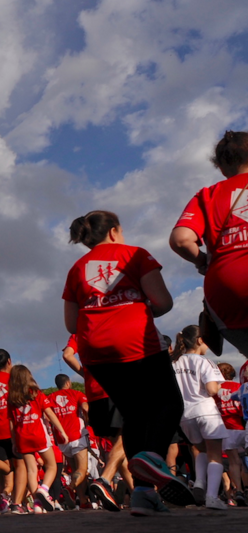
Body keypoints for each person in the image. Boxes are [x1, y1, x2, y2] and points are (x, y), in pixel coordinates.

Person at [63, 209, 189, 515]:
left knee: (134, 415)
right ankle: (152, 458)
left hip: (94, 350)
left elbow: (70, 324)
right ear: (114, 231)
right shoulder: (135, 255)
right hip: (135, 340)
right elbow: (163, 302)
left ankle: (144, 496)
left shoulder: (76, 268)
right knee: (170, 404)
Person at [170, 131, 248, 353]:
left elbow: (181, 239)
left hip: (227, 295)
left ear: (221, 167)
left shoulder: (207, 195)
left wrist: (203, 261)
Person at [64, 335, 129, 510]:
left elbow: (67, 355)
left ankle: (138, 493)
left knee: (118, 445)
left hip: (95, 395)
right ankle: (105, 479)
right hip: (115, 390)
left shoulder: (78, 333)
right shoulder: (110, 323)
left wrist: (85, 373)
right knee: (127, 437)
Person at [171, 325, 228, 509]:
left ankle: (199, 484)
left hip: (185, 416)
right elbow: (212, 390)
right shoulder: (205, 361)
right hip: (206, 411)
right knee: (215, 455)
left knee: (201, 450)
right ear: (200, 341)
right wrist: (220, 387)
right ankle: (212, 496)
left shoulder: (174, 363)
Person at [7, 366, 68, 513]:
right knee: (52, 466)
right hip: (38, 435)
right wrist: (61, 430)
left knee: (31, 471)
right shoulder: (36, 394)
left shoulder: (11, 398)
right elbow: (50, 413)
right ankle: (44, 489)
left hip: (22, 437)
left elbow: (11, 422)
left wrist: (14, 441)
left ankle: (37, 504)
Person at [49, 374, 89, 506]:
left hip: (62, 441)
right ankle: (70, 488)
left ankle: (82, 500)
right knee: (82, 469)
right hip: (77, 437)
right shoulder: (76, 393)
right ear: (68, 383)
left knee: (75, 470)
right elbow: (85, 408)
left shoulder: (50, 398)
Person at [216, 362, 245, 504]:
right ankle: (243, 489)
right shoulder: (238, 387)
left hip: (225, 427)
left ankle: (238, 490)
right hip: (240, 426)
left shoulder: (216, 389)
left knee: (233, 462)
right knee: (243, 462)